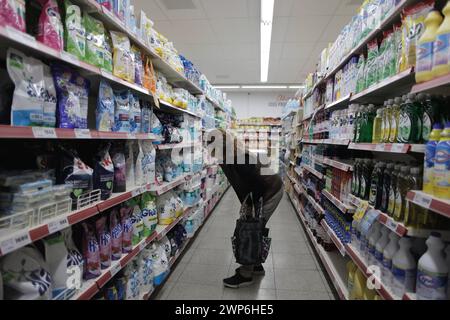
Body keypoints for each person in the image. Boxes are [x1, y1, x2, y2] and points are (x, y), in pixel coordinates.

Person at [208, 129, 283, 288]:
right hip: (263, 190)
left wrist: (251, 208)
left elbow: (257, 184)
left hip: (269, 191)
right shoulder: (228, 157)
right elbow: (240, 184)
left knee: (251, 229)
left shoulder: (238, 159)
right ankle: (255, 264)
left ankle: (246, 273)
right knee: (253, 226)